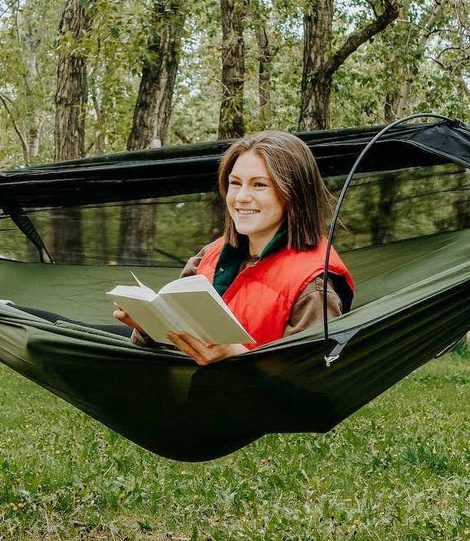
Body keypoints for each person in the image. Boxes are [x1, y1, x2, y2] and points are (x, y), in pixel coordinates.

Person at [114, 130, 354, 365]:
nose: (240, 197)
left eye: (259, 185)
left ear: (294, 193)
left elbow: (312, 380)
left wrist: (236, 356)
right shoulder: (207, 257)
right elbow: (174, 352)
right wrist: (149, 326)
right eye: (235, 183)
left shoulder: (313, 285)